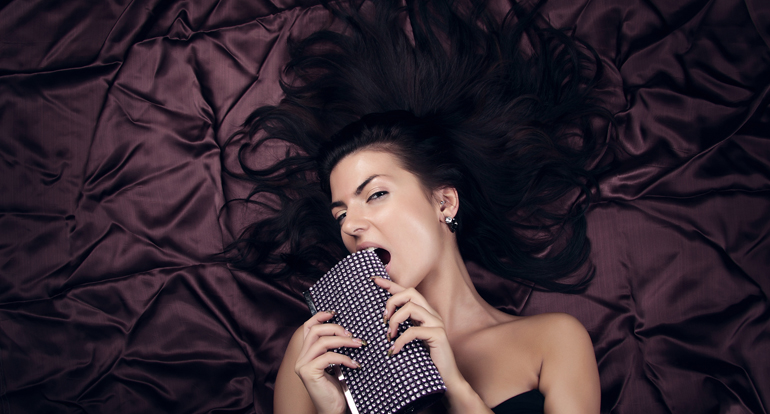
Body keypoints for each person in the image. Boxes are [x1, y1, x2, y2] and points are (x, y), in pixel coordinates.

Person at [224, 0, 611, 412]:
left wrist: (456, 387)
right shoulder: (318, 352)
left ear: (443, 201)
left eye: (375, 194)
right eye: (341, 214)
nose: (350, 226)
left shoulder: (553, 341)